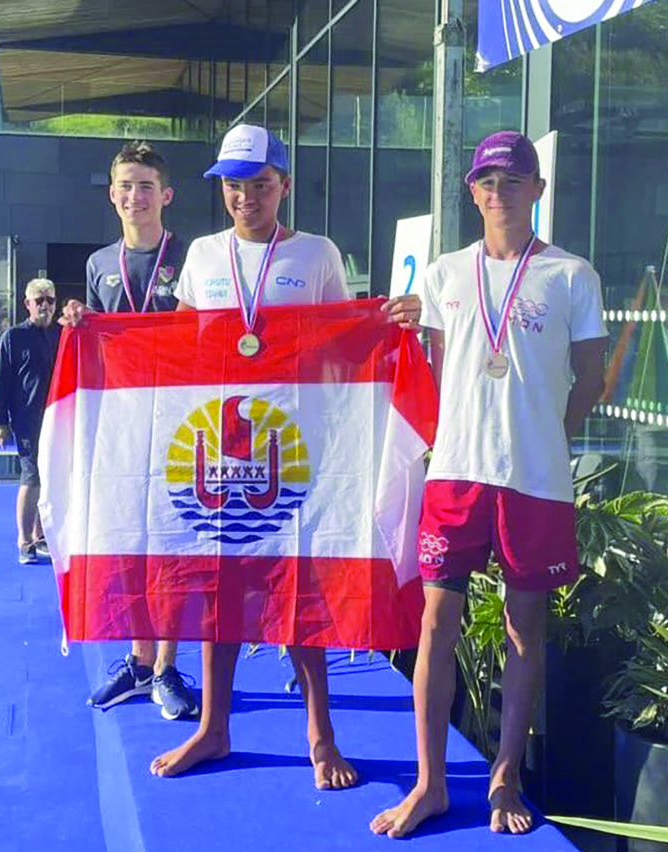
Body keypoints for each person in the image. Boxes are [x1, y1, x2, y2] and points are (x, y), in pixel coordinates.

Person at [148, 123, 422, 789]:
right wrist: (89, 328)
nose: (247, 197)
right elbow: (177, 348)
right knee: (218, 591)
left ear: (284, 186)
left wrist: (393, 323)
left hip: (294, 452)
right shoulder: (204, 256)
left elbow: (342, 345)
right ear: (222, 190)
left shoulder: (318, 253)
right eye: (235, 186)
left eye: (260, 184)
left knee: (298, 593)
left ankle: (319, 736)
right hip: (214, 449)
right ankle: (213, 728)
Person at [370, 130, 608, 837]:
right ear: (472, 192)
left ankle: (505, 776)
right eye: (486, 181)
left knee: (523, 627)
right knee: (435, 625)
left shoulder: (571, 274)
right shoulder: (443, 274)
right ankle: (430, 783)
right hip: (455, 474)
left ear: (536, 190)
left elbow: (590, 379)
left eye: (512, 179)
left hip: (533, 481)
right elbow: (436, 371)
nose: (497, 190)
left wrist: (542, 437)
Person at [62, 140, 197, 722]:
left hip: (180, 425)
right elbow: (96, 351)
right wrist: (77, 322)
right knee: (133, 548)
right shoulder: (98, 265)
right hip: (122, 430)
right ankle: (139, 661)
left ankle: (167, 667)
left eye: (146, 186)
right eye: (126, 185)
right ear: (112, 194)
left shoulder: (194, 256)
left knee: (170, 546)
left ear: (165, 195)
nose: (135, 196)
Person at [0, 279, 61, 564]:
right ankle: (24, 539)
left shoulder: (64, 334)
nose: (45, 305)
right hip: (26, 419)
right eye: (39, 300)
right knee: (31, 477)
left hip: (59, 417)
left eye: (50, 300)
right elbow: (2, 380)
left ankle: (41, 534)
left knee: (51, 477)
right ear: (27, 304)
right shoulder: (13, 336)